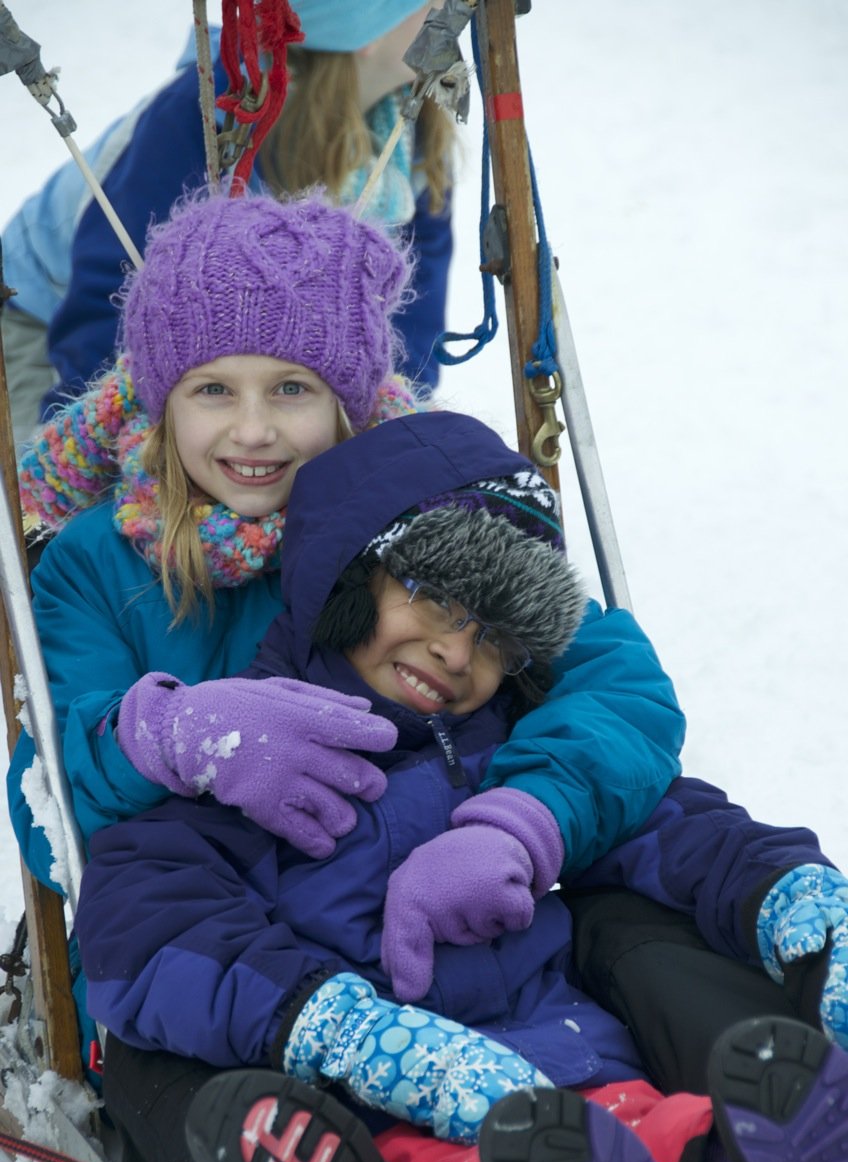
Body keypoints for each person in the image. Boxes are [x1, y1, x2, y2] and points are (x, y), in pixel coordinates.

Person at [73, 411, 848, 1162]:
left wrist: (791, 891)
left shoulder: (506, 749)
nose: (454, 651)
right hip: (391, 1115)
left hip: (571, 1070)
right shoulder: (261, 763)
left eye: (496, 636)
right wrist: (350, 1030)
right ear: (348, 573)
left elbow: (667, 825)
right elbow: (142, 920)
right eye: (435, 599)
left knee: (648, 1131)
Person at [8, 188, 685, 1073]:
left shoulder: (421, 516)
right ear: (161, 400)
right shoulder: (99, 563)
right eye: (213, 389)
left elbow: (617, 687)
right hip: (222, 969)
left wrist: (525, 818)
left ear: (349, 404)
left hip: (438, 938)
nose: (253, 430)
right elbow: (50, 804)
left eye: (292, 389)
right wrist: (171, 736)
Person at [1, 1, 454, 447]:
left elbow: (412, 298)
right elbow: (114, 289)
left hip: (248, 359)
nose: (446, 8)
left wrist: (392, 428)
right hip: (48, 323)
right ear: (364, 30)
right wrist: (98, 454)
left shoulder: (409, 127)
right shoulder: (198, 122)